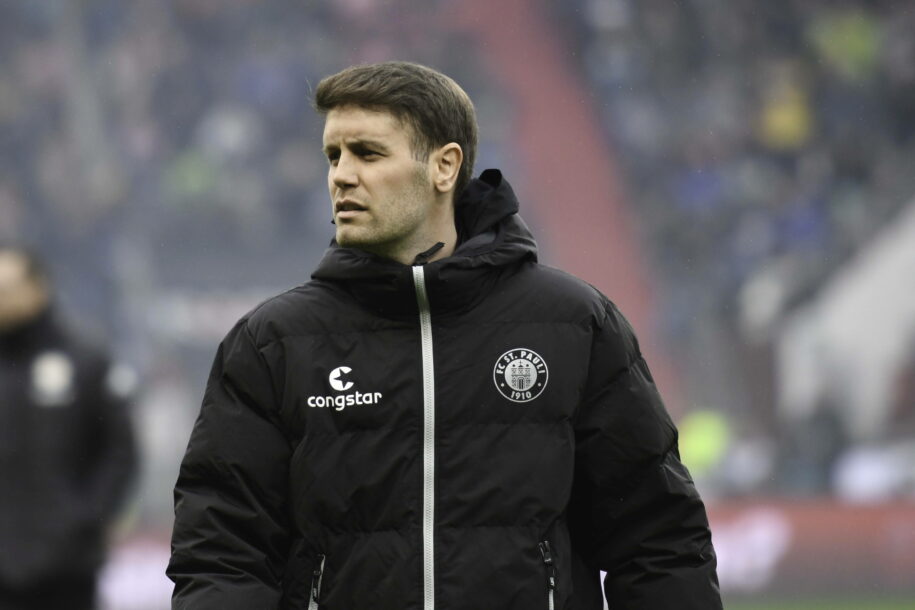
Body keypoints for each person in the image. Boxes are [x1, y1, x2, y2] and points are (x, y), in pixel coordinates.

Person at [168, 61, 721, 609]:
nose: (341, 175)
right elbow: (223, 556)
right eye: (333, 156)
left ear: (444, 166)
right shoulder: (272, 343)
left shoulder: (576, 324)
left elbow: (658, 540)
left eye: (367, 153)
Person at [0, 245, 137, 610]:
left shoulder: (84, 362)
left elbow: (119, 451)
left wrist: (86, 519)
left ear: (38, 288)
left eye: (8, 288)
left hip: (67, 571)